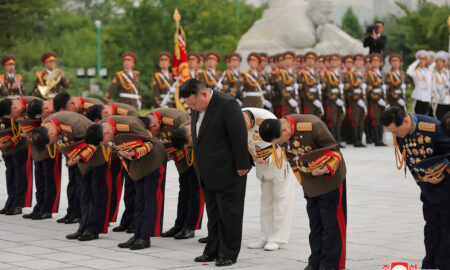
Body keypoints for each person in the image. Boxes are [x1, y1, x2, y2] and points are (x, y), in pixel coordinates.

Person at [259, 114, 347, 270]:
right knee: (316, 225)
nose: (282, 144)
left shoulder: (313, 125)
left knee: (331, 225)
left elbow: (335, 151)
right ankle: (315, 262)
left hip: (330, 178)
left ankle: (331, 265)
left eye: (280, 141)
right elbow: (291, 158)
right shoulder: (281, 132)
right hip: (309, 181)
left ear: (285, 129)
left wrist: (327, 167)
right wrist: (303, 182)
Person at [179, 78, 250, 267]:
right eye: (189, 105)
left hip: (228, 169)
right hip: (206, 170)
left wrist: (242, 163)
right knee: (213, 213)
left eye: (193, 103)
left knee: (230, 214)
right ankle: (212, 250)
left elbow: (239, 135)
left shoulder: (227, 104)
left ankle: (229, 253)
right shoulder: (197, 107)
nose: (192, 107)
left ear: (204, 93)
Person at [381, 106, 450, 269]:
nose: (396, 136)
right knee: (431, 227)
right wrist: (422, 183)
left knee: (447, 228)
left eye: (396, 132)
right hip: (428, 188)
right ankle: (430, 263)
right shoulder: (400, 132)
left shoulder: (434, 128)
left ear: (406, 120)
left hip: (447, 187)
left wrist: (444, 173)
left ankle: (444, 264)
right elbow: (410, 160)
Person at [85, 115, 167, 250]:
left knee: (149, 198)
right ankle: (138, 233)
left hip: (154, 160)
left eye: (103, 142)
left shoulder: (128, 125)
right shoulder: (106, 127)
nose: (105, 144)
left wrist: (133, 153)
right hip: (137, 162)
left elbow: (150, 143)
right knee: (139, 199)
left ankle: (145, 237)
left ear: (106, 133)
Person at [146, 108, 204, 240]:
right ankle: (179, 225)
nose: (156, 134)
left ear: (155, 125)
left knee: (195, 191)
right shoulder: (149, 119)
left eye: (154, 131)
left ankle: (190, 226)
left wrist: (171, 151)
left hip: (191, 154)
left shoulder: (174, 118)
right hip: (180, 157)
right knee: (183, 191)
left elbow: (188, 135)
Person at [243, 108, 296, 251]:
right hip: (262, 167)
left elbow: (284, 141)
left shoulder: (266, 117)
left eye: (245, 124)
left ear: (247, 117)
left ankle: (277, 238)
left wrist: (270, 158)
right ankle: (264, 236)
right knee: (265, 202)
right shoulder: (236, 117)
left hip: (279, 164)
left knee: (281, 201)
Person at [365, 53, 387, 146]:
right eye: (373, 61)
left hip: (382, 100)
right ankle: (376, 139)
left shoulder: (382, 74)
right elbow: (368, 89)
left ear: (380, 63)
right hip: (374, 102)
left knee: (381, 119)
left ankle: (380, 139)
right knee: (375, 119)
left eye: (377, 61)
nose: (376, 63)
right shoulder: (369, 75)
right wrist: (378, 99)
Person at [407, 50, 432, 115]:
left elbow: (431, 85)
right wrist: (416, 62)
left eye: (423, 59)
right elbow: (408, 71)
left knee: (426, 116)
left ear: (426, 61)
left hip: (427, 97)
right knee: (417, 115)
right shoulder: (415, 71)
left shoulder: (429, 71)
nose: (422, 61)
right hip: (418, 96)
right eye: (420, 59)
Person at [431, 51, 450, 120]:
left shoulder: (447, 73)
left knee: (446, 118)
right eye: (438, 61)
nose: (439, 63)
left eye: (441, 61)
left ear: (444, 62)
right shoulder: (432, 72)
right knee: (437, 117)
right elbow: (432, 86)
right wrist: (436, 95)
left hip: (446, 99)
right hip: (437, 99)